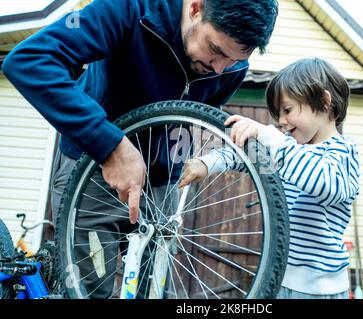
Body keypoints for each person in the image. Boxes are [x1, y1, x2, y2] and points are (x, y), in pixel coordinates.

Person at [1, 0, 278, 298]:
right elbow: (30, 60)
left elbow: (197, 113)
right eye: (216, 50)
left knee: (153, 292)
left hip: (160, 187)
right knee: (89, 290)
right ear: (196, 8)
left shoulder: (228, 65)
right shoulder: (128, 9)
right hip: (93, 173)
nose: (220, 68)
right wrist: (111, 144)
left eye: (236, 60)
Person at [179, 57, 360, 299]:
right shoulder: (286, 149)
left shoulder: (342, 151)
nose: (282, 122)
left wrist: (269, 136)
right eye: (278, 114)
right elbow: (243, 157)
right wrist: (207, 163)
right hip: (275, 276)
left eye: (287, 110)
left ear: (325, 102)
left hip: (318, 289)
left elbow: (322, 184)